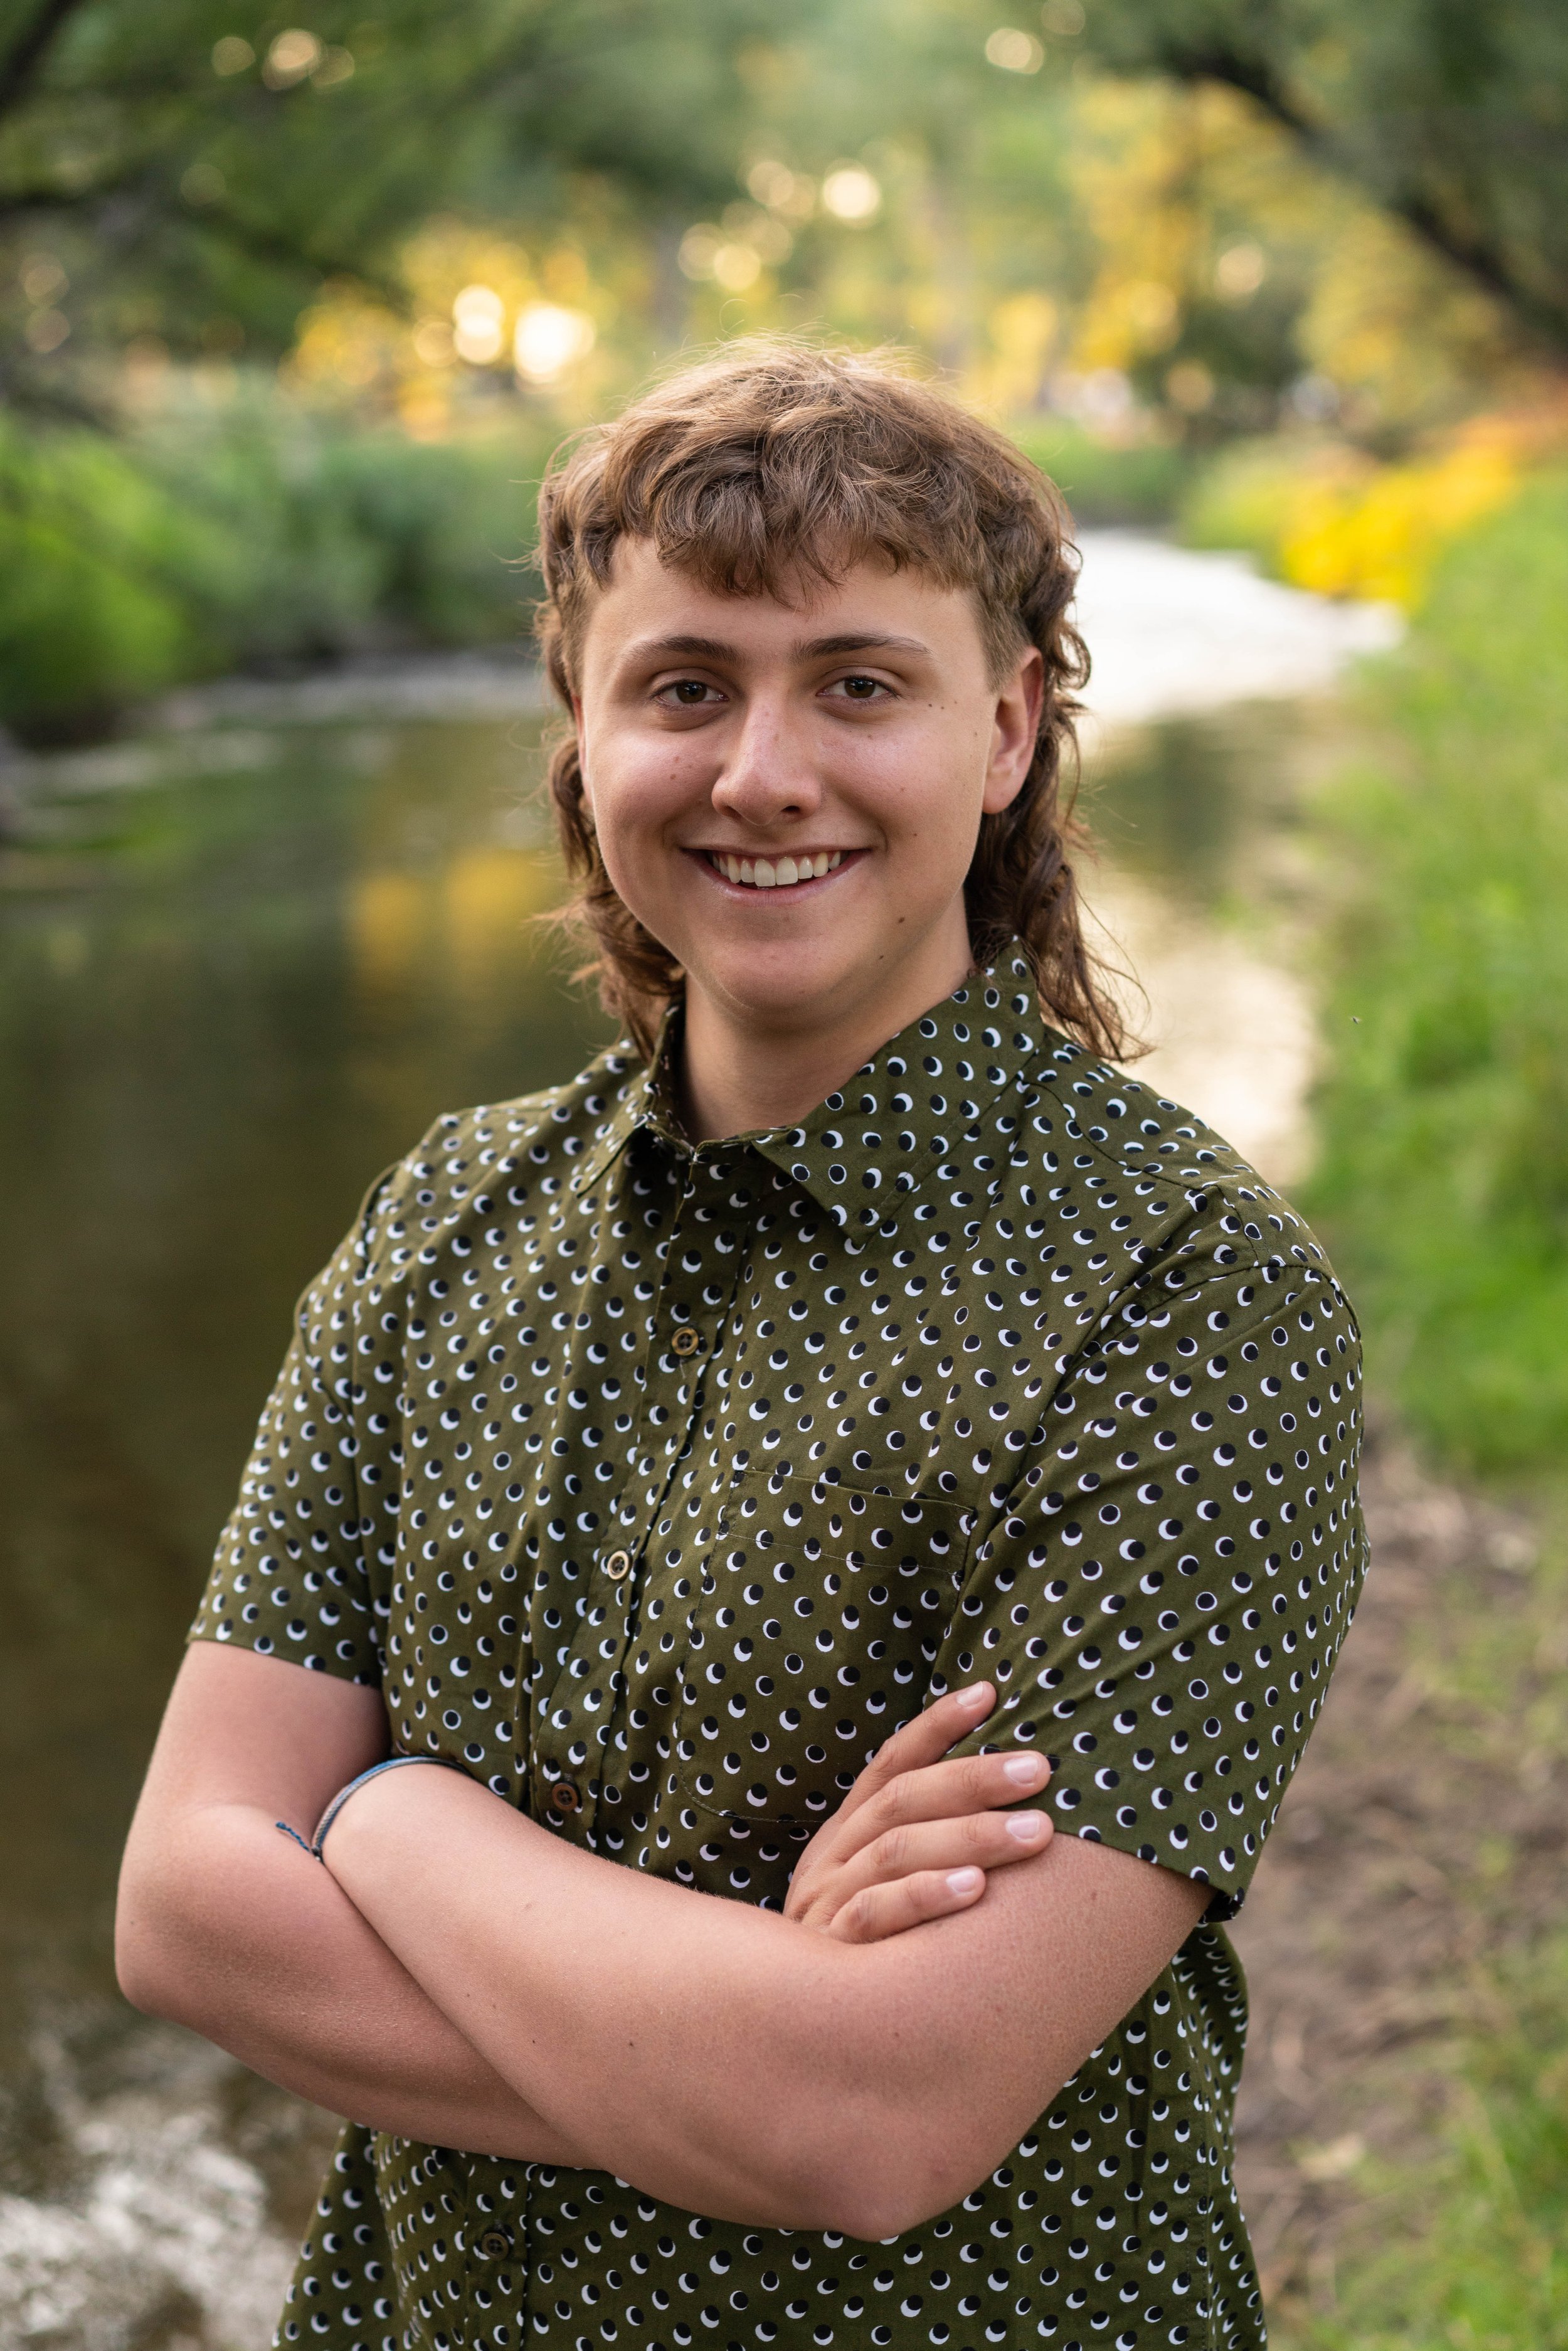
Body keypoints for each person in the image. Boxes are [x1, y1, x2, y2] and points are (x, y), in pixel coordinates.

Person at [116, 342, 1367, 2351]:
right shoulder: (442, 1225)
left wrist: (389, 1821)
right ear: (582, 728)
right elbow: (183, 1908)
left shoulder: (1185, 1298)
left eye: (857, 684)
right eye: (685, 686)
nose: (762, 771)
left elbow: (877, 2118)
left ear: (1004, 730)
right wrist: (747, 2043)